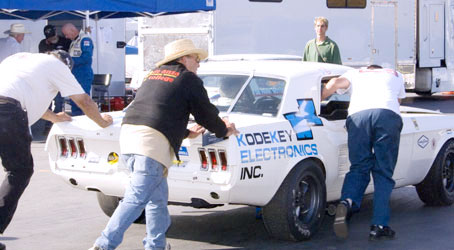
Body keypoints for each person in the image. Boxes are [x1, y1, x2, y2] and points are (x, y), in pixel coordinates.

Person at [89, 39, 239, 250]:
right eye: (196, 58)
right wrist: (225, 129)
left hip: (130, 139)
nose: (198, 63)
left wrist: (186, 133)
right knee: (136, 199)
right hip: (150, 148)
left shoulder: (154, 75)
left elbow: (157, 111)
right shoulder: (188, 78)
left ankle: (156, 245)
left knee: (156, 201)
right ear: (184, 58)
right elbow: (206, 114)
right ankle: (103, 245)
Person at [0, 51, 113, 250]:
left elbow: (18, 92)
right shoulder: (58, 66)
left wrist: (52, 117)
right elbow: (83, 101)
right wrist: (102, 122)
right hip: (7, 112)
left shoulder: (19, 58)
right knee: (20, 171)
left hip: (6, 104)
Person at [321, 65, 406, 241]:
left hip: (358, 116)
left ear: (367, 68)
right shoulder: (396, 74)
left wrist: (318, 99)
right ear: (381, 69)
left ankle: (347, 202)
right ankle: (379, 225)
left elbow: (334, 83)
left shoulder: (355, 73)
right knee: (383, 171)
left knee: (359, 166)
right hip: (387, 116)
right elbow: (397, 102)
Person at [39, 24, 72, 132]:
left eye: (53, 37)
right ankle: (47, 124)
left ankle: (55, 124)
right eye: (49, 38)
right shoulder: (43, 43)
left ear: (56, 33)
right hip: (46, 76)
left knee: (59, 101)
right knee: (46, 101)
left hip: (59, 76)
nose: (52, 39)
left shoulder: (65, 42)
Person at [62, 23, 94, 116]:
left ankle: (86, 122)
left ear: (72, 30)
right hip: (74, 74)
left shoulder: (85, 39)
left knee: (83, 102)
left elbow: (86, 58)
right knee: (74, 101)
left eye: (67, 34)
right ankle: (76, 121)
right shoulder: (74, 41)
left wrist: (69, 60)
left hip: (83, 74)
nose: (66, 37)